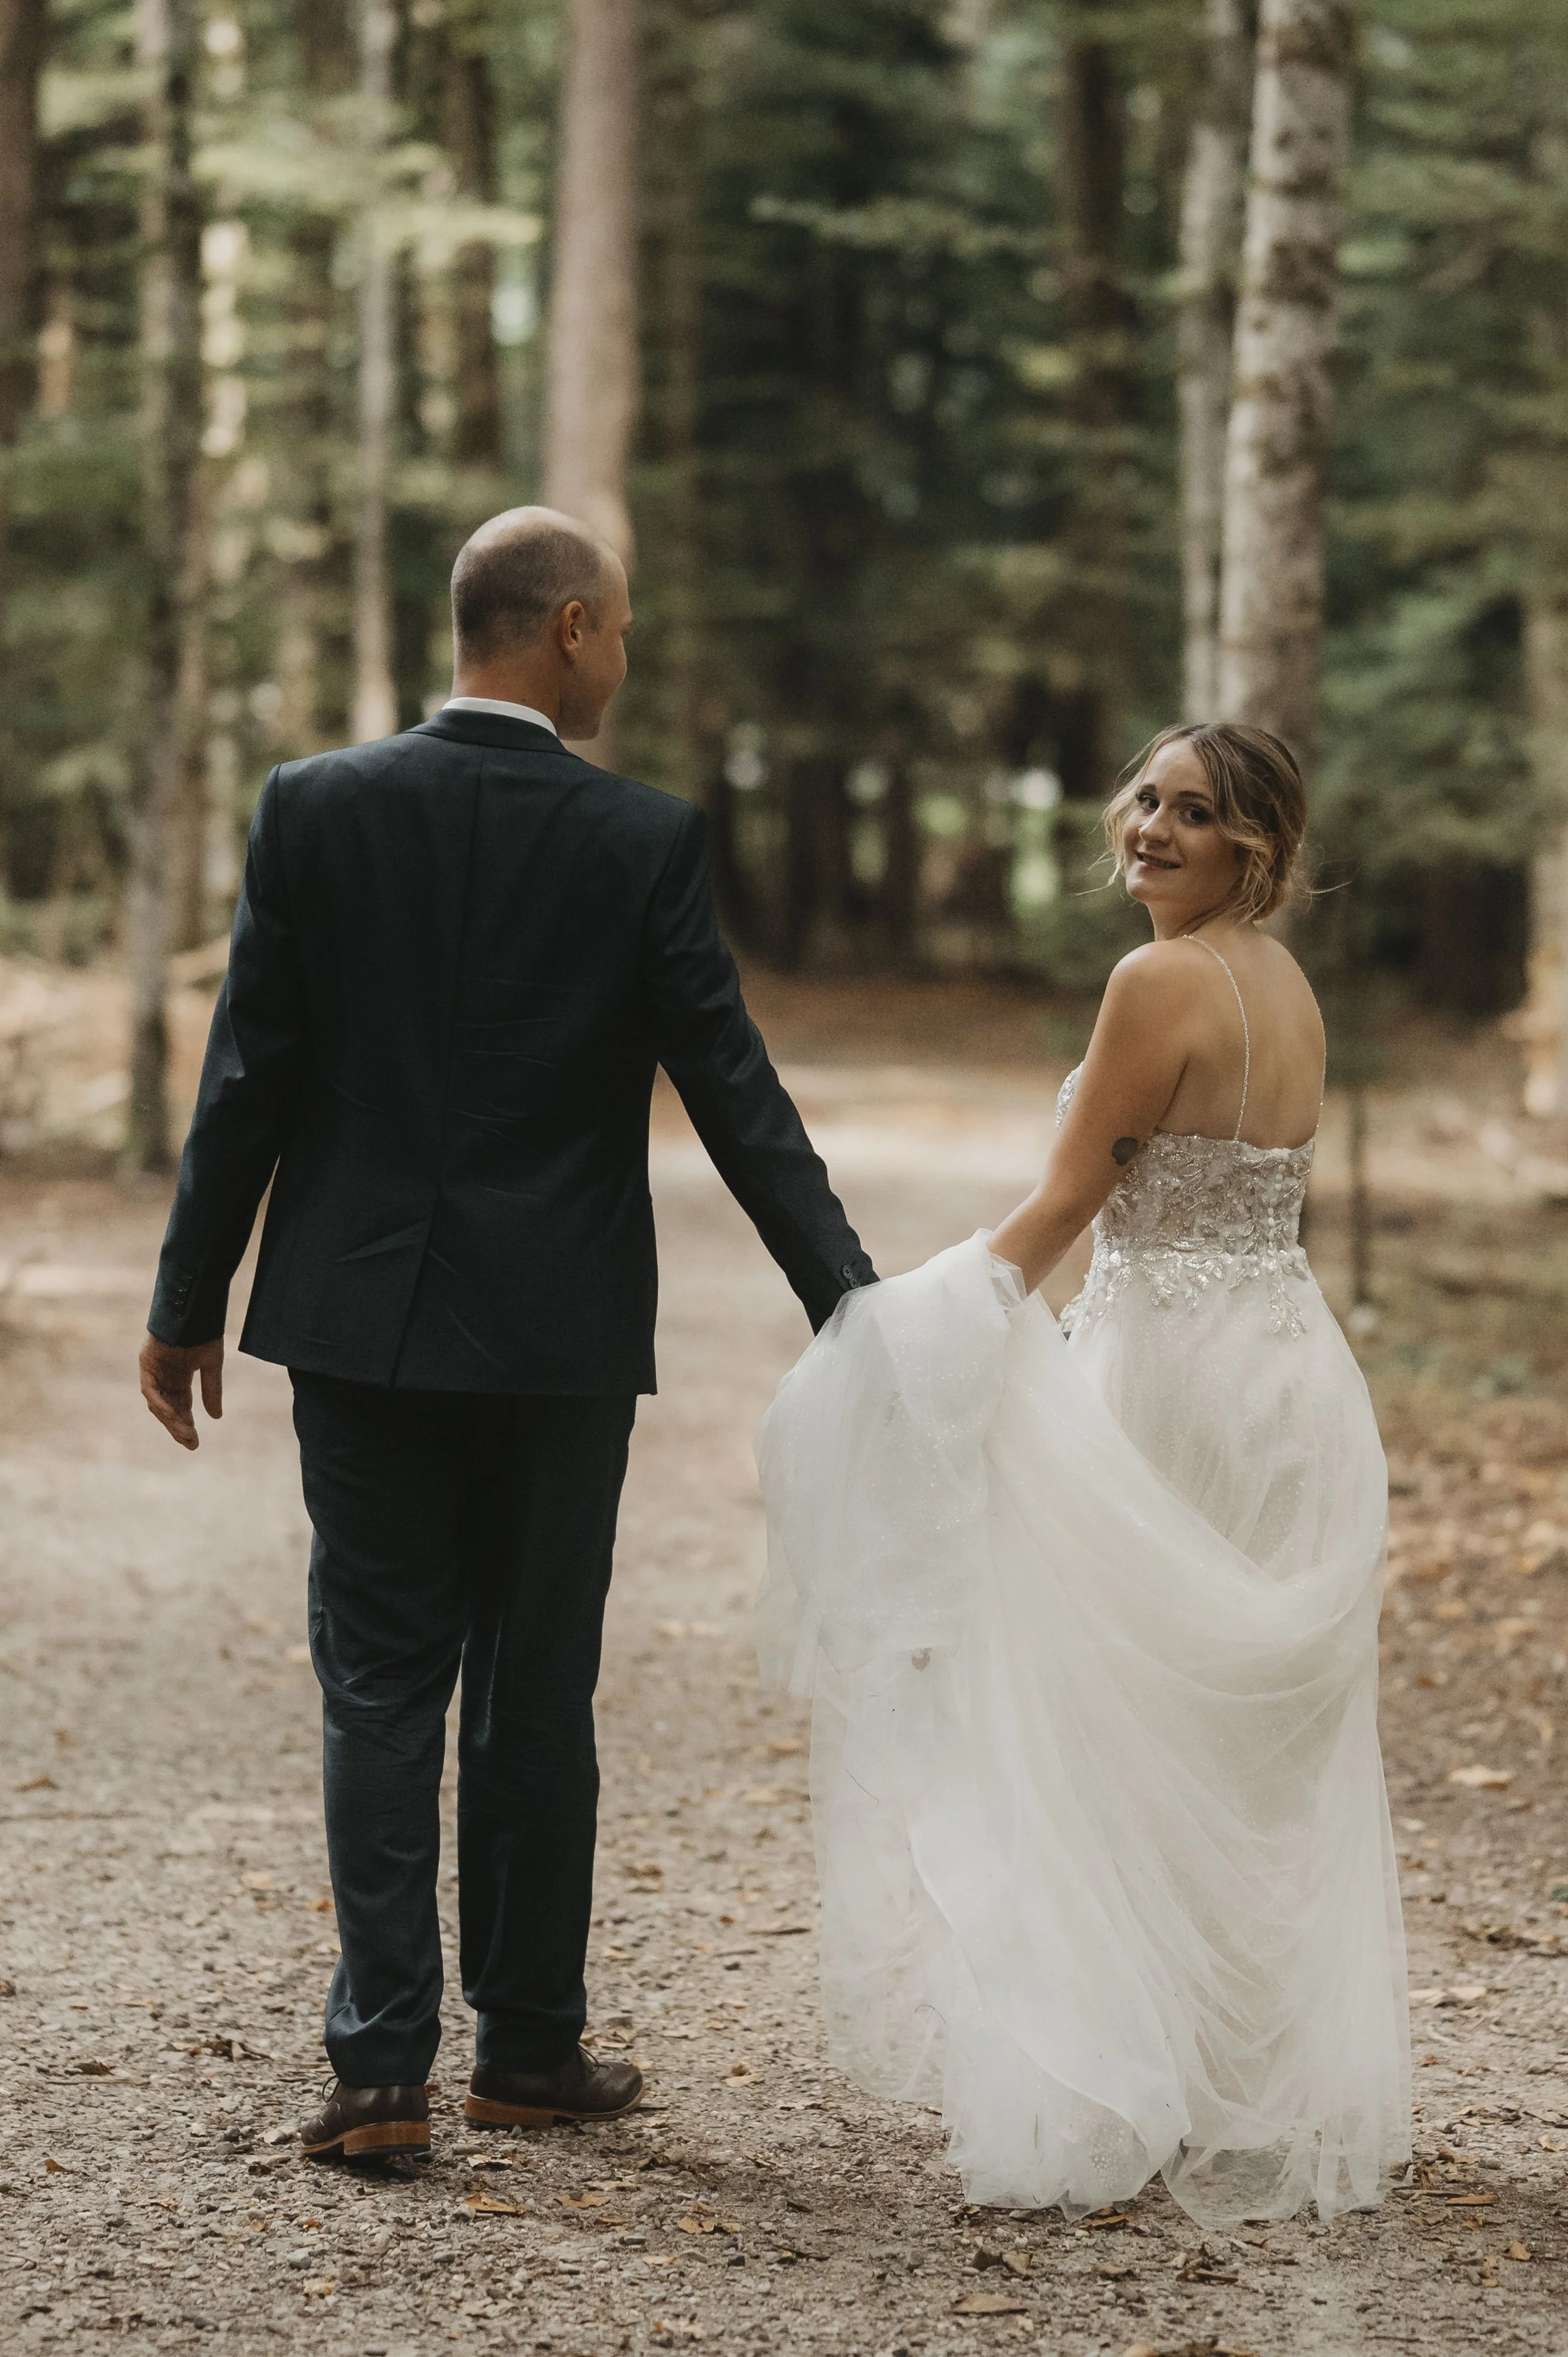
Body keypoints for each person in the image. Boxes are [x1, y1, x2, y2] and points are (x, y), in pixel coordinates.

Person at [138, 506, 876, 2162]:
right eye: (616, 628)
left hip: (361, 1320)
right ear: (561, 630)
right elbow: (735, 1095)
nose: (623, 653)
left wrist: (187, 1303)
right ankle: (529, 2045)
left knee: (380, 1678)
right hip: (555, 1335)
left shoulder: (315, 808)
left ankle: (380, 2068)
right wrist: (854, 1300)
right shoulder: (641, 839)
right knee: (533, 1688)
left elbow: (249, 1070)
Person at [757, 723, 1410, 2227]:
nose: (1150, 830)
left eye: (1191, 814)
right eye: (1143, 801)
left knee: (1106, 1715)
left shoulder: (1156, 979)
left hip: (1168, 1372)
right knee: (1225, 1738)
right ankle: (1225, 2062)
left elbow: (1066, 1203)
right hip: (1290, 1375)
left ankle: (1132, 2063)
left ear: (1253, 844)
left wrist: (911, 1330)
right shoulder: (1279, 980)